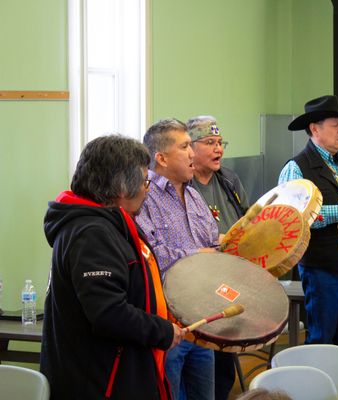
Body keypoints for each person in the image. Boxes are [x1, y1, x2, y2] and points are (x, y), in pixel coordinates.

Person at [41, 135, 185, 400]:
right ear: (121, 186)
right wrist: (162, 331)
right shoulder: (91, 233)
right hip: (100, 382)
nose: (147, 190)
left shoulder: (104, 225)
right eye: (144, 181)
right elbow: (108, 314)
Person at [278, 95, 338, 357]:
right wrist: (336, 213)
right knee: (323, 337)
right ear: (314, 129)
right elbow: (289, 218)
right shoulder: (296, 168)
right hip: (323, 268)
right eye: (334, 124)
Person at [137, 118, 220, 400]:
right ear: (160, 157)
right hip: (167, 322)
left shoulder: (195, 197)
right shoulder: (144, 197)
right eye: (184, 147)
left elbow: (212, 243)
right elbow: (151, 256)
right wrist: (199, 256)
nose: (191, 153)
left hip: (201, 319)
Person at [187, 115, 249, 400]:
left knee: (224, 358)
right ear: (191, 147)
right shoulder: (183, 184)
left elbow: (248, 220)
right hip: (197, 284)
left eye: (220, 143)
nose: (218, 150)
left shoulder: (229, 179)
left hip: (229, 279)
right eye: (210, 143)